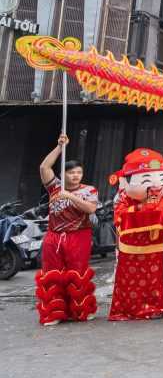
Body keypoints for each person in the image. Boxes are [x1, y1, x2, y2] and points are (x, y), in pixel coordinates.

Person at [35, 134, 99, 326]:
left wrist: (69, 196)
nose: (75, 175)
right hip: (54, 236)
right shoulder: (55, 187)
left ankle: (80, 311)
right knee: (52, 273)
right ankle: (54, 313)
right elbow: (44, 167)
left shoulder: (89, 190)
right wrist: (59, 147)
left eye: (79, 172)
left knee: (77, 273)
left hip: (78, 235)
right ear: (64, 174)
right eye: (71, 173)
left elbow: (90, 209)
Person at [109, 148, 163, 321]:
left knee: (154, 279)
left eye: (161, 179)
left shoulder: (162, 198)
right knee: (128, 279)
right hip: (130, 247)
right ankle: (127, 310)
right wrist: (140, 208)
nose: (154, 186)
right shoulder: (123, 196)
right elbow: (119, 215)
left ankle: (154, 308)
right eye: (147, 180)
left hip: (153, 246)